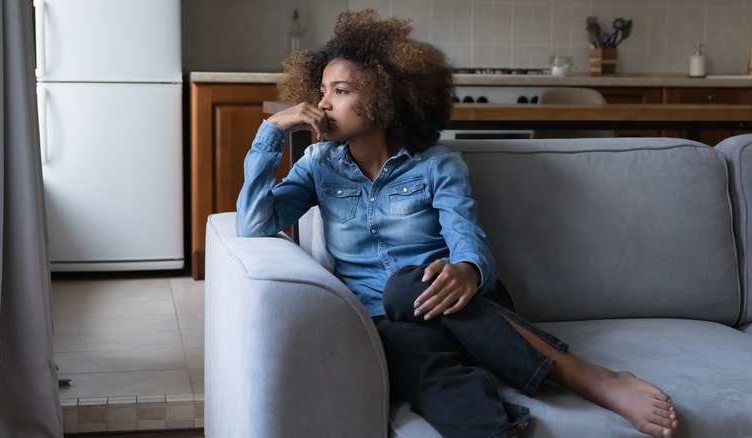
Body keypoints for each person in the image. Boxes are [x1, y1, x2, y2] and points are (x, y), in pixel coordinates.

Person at [236, 9, 678, 438]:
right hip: (387, 323)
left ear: (385, 97)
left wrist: (467, 269)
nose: (322, 104)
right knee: (409, 354)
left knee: (403, 288)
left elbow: (467, 237)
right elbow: (254, 224)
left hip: (461, 301)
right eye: (321, 91)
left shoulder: (437, 164)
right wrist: (272, 130)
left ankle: (593, 377)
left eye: (341, 91)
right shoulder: (318, 165)